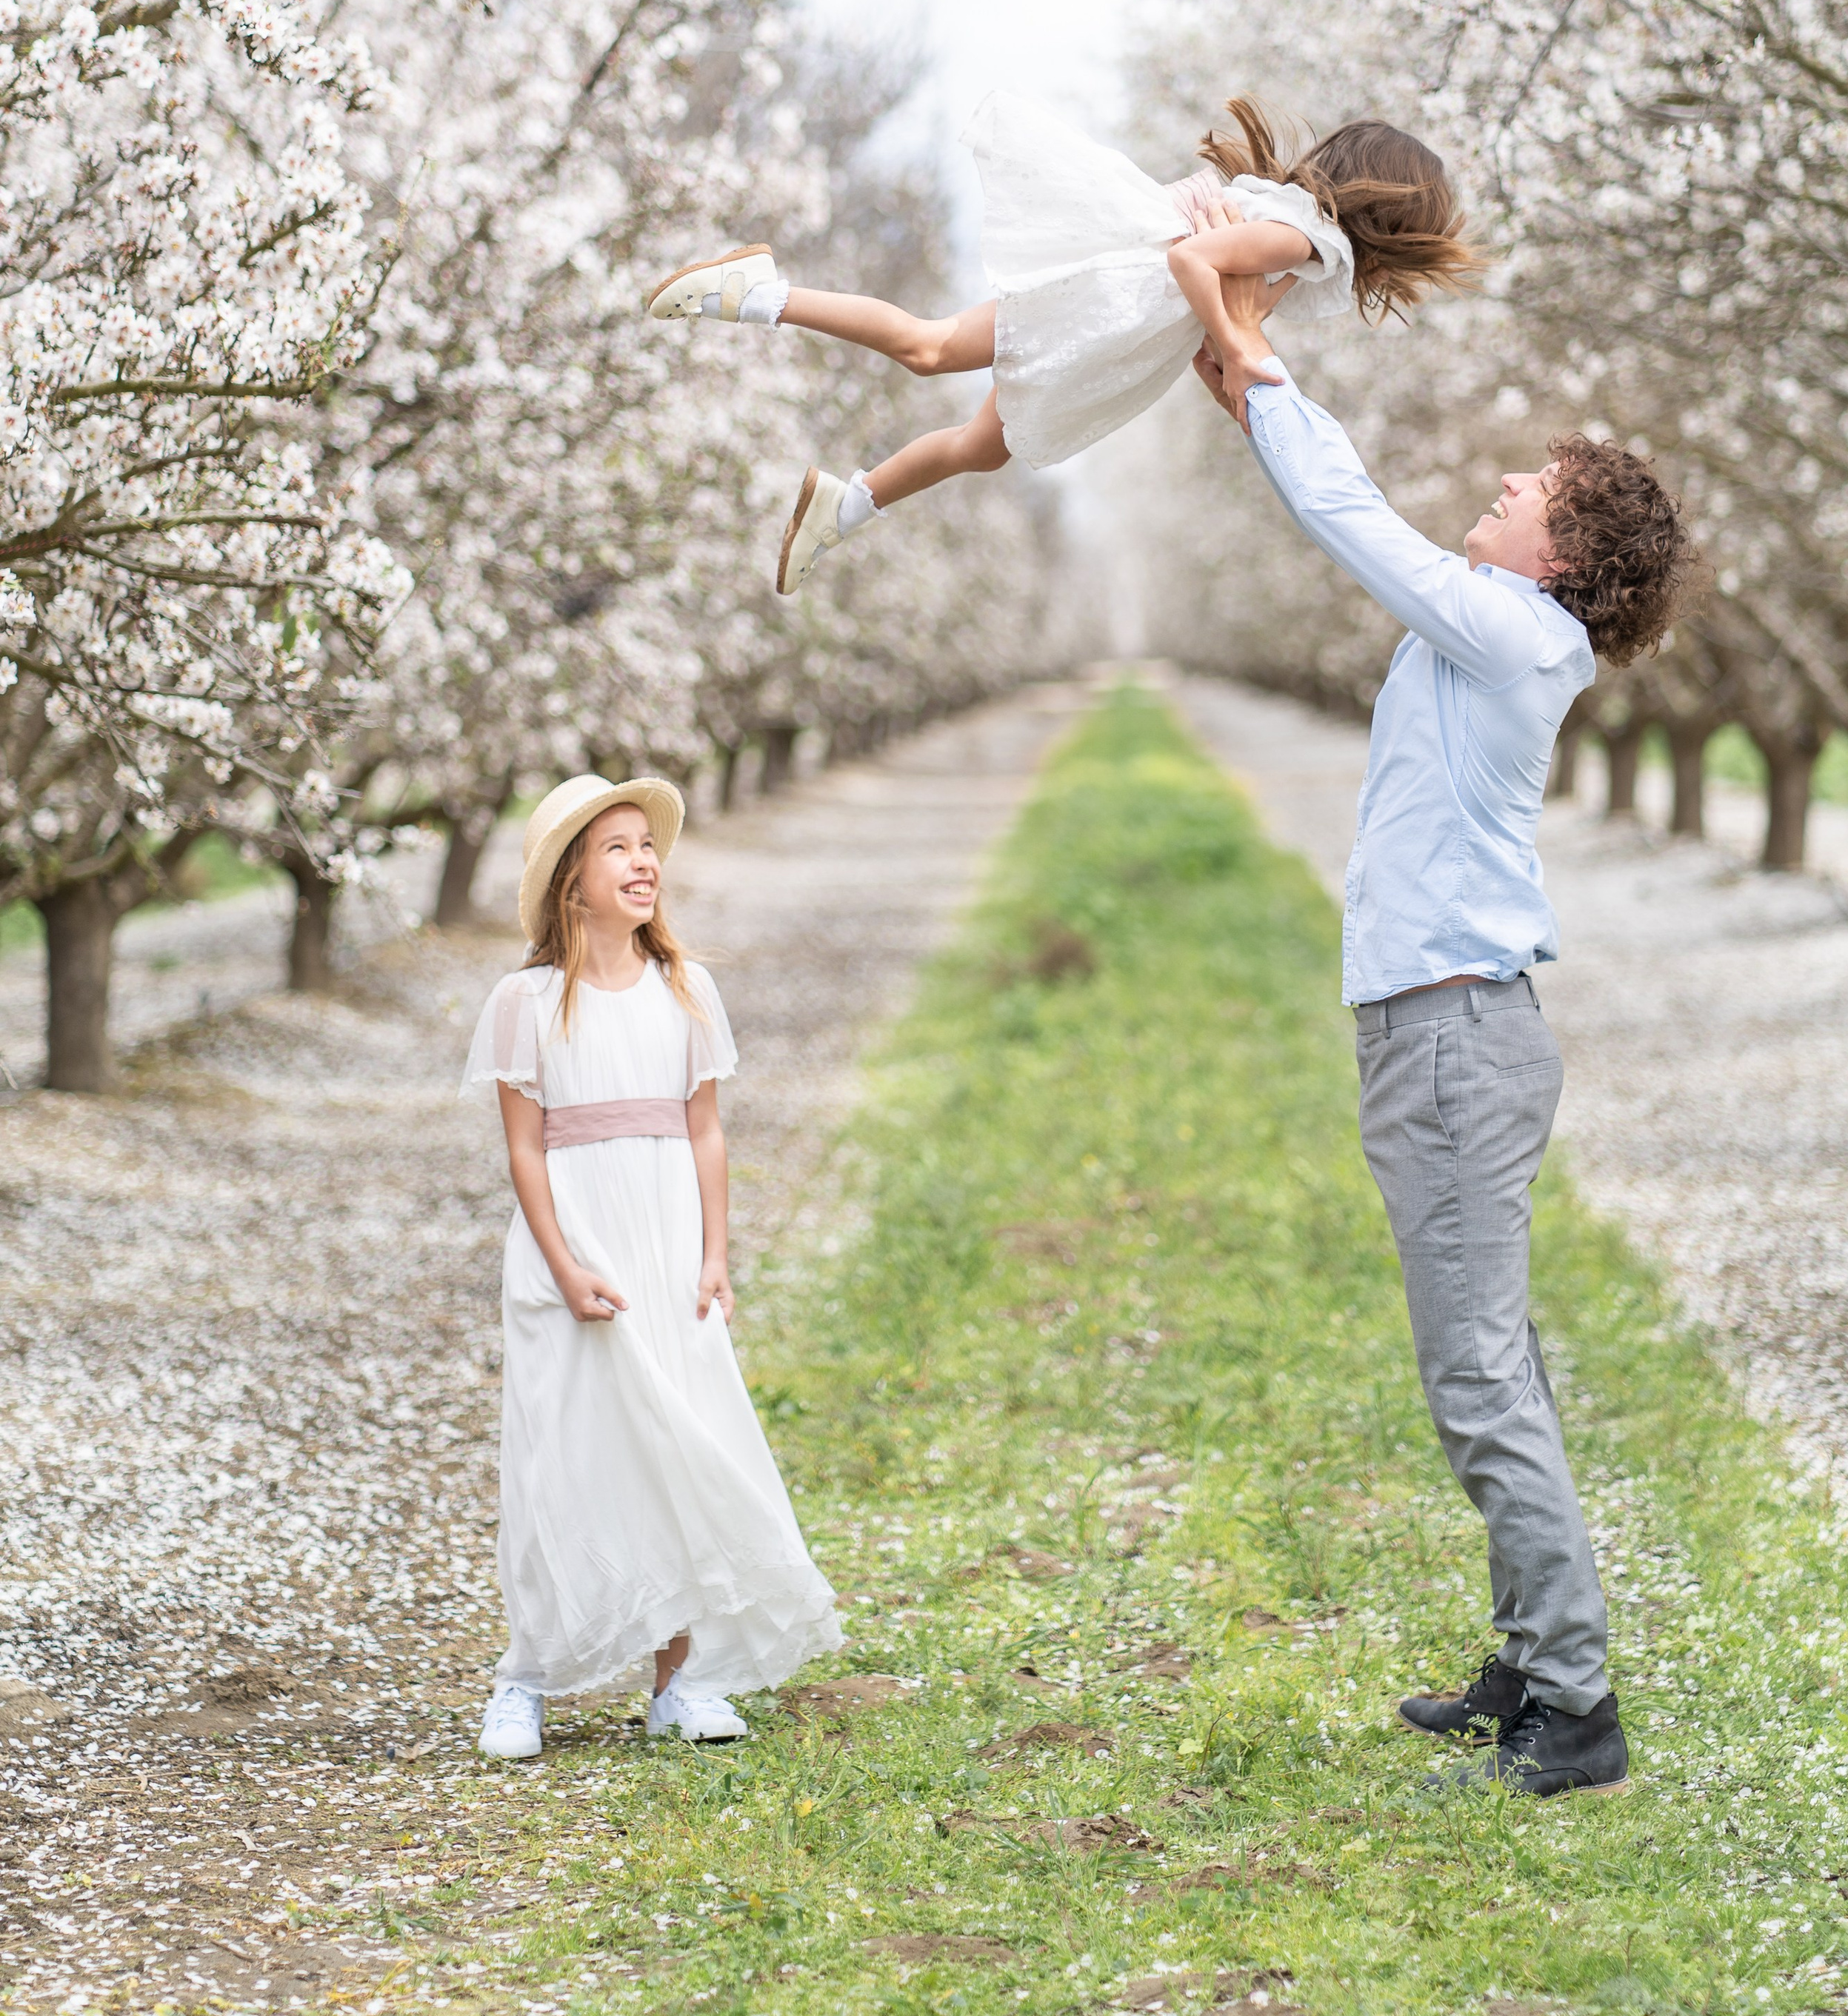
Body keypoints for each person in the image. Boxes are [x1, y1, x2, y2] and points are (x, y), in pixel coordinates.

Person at [1192, 244, 1692, 1798]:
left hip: (1457, 1039)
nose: (1503, 478)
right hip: (1439, 1032)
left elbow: (1348, 514)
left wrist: (1257, 352)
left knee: (1475, 1378)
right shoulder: (1493, 623)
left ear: (1564, 552)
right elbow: (1315, 482)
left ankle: (1576, 1710)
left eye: (1534, 483)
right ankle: (1534, 1656)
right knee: (1497, 1363)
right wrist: (1231, 353)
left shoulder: (1518, 630)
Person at [645, 93, 1478, 595]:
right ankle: (757, 293)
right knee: (929, 349)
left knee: (982, 445)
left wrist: (1232, 369)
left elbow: (1212, 304)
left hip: (1116, 321)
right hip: (1100, 308)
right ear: (1387, 223)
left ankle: (847, 503)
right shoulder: (1300, 239)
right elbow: (1193, 263)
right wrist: (1238, 345)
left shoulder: (1293, 232)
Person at [461, 772, 841, 1761]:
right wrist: (563, 1264)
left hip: (665, 1246)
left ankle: (680, 1680)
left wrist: (714, 1253)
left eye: (647, 845)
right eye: (616, 847)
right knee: (563, 1451)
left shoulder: (685, 989)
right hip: (573, 1249)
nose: (643, 861)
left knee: (677, 1446)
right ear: (571, 879)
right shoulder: (528, 1001)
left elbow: (705, 1129)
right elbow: (526, 1147)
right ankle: (525, 1675)